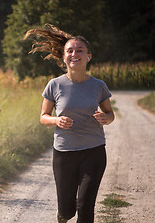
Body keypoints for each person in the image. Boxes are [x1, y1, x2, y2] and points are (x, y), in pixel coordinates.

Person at [24, 24, 115, 223]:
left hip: (94, 151)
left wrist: (106, 118)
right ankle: (63, 215)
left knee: (85, 204)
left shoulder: (99, 86)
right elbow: (43, 116)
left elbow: (110, 114)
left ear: (88, 56)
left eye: (80, 50)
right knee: (67, 211)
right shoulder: (54, 85)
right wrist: (56, 120)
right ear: (64, 57)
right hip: (64, 153)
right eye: (70, 51)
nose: (75, 54)